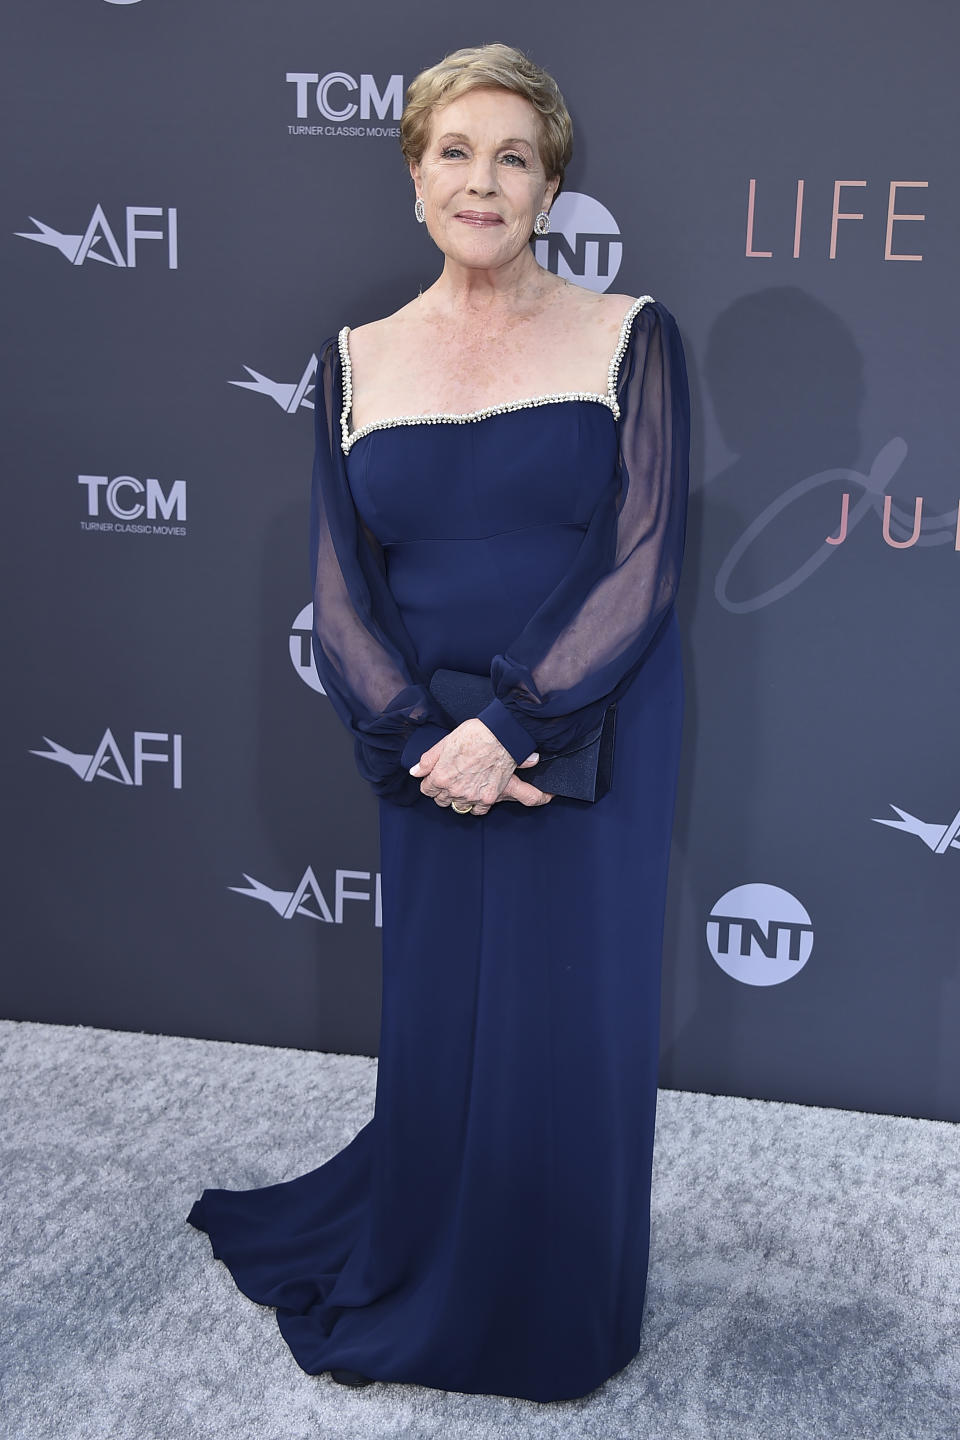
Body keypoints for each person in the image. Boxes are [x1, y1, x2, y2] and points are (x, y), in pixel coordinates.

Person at [187, 41, 689, 1403]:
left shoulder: (630, 334)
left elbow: (643, 556)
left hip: (590, 729)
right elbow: (341, 585)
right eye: (455, 153)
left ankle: (555, 1294)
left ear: (552, 186)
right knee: (446, 1015)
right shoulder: (355, 357)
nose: (484, 180)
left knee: (568, 1016)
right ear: (414, 177)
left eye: (514, 156)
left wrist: (516, 723)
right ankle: (430, 1242)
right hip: (423, 747)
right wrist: (423, 736)